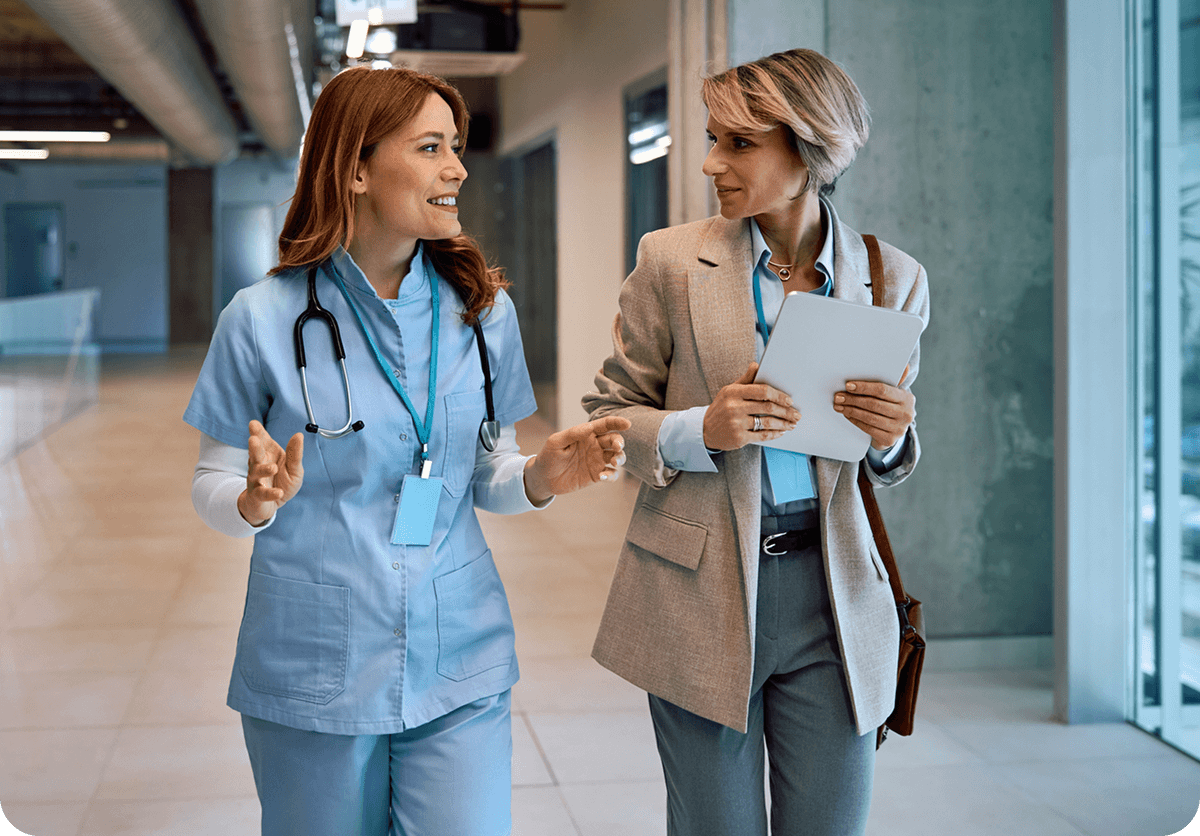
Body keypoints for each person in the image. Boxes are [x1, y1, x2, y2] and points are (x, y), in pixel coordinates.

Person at [184, 65, 629, 836]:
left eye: (455, 147)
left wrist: (542, 475)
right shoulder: (260, 319)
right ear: (355, 167)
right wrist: (252, 502)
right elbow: (212, 480)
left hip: (459, 648)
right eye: (429, 147)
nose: (456, 168)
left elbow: (488, 472)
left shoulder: (483, 315)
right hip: (313, 659)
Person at [582, 48, 929, 836]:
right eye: (714, 139)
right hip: (697, 585)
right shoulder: (670, 261)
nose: (711, 162)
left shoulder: (894, 277)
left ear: (808, 148)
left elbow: (890, 454)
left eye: (739, 144)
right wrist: (699, 429)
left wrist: (890, 434)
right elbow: (610, 412)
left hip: (834, 593)